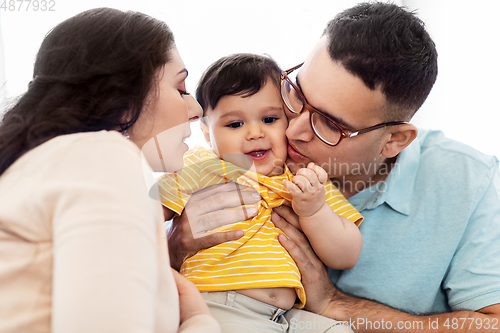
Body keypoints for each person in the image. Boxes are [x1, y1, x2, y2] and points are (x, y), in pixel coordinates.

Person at [167, 2, 500, 332]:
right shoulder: (232, 160)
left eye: (328, 124)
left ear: (394, 140)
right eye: (296, 93)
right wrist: (173, 248)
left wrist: (336, 305)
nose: (293, 130)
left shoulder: (473, 183)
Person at [0, 8, 220, 333]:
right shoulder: (104, 157)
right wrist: (201, 322)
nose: (196, 110)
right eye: (181, 88)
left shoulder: (51, 166)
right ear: (125, 101)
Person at [157, 53, 363, 332]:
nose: (255, 133)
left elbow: (346, 256)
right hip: (221, 304)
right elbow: (145, 217)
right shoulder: (201, 166)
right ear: (207, 133)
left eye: (269, 119)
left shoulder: (306, 180)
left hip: (284, 314)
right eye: (235, 124)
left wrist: (314, 210)